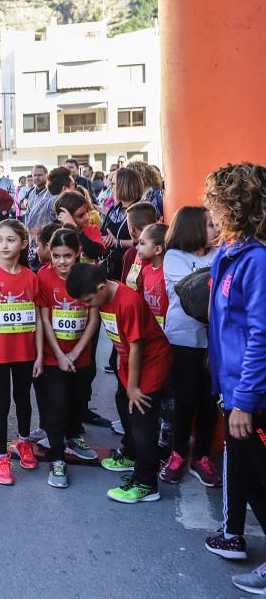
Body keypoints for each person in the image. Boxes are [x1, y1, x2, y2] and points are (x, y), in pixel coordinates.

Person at [202, 163, 266, 592]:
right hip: (232, 389)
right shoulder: (231, 253)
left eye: (216, 203)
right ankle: (233, 536)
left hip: (251, 395)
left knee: (260, 480)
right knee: (246, 474)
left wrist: (243, 399)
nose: (211, 211)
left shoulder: (257, 260)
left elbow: (261, 333)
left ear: (234, 207)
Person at [66, 263, 171, 504]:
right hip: (128, 363)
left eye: (88, 300)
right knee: (123, 403)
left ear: (101, 288)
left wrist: (134, 387)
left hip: (150, 363)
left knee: (142, 418)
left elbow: (137, 347)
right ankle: (131, 454)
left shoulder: (128, 302)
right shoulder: (103, 297)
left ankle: (146, 483)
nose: (87, 305)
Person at [160, 207, 221, 487]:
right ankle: (178, 454)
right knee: (184, 401)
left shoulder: (220, 254)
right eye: (209, 225)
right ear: (193, 228)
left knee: (209, 401)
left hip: (215, 341)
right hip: (183, 339)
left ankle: (201, 458)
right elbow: (197, 296)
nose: (216, 229)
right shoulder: (174, 257)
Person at [0, 219, 42, 486]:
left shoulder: (31, 278)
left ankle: (24, 442)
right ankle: (1, 457)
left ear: (23, 244)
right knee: (1, 404)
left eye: (11, 240)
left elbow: (38, 319)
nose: (4, 245)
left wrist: (39, 355)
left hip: (26, 354)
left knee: (24, 400)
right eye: (0, 239)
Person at [36, 229, 101, 489]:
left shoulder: (88, 275)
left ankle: (73, 437)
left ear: (78, 254)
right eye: (56, 256)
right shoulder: (44, 276)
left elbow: (93, 319)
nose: (62, 262)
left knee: (77, 399)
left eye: (68, 256)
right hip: (54, 355)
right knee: (57, 404)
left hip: (80, 353)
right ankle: (57, 457)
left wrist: (75, 353)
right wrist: (60, 355)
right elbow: (44, 319)